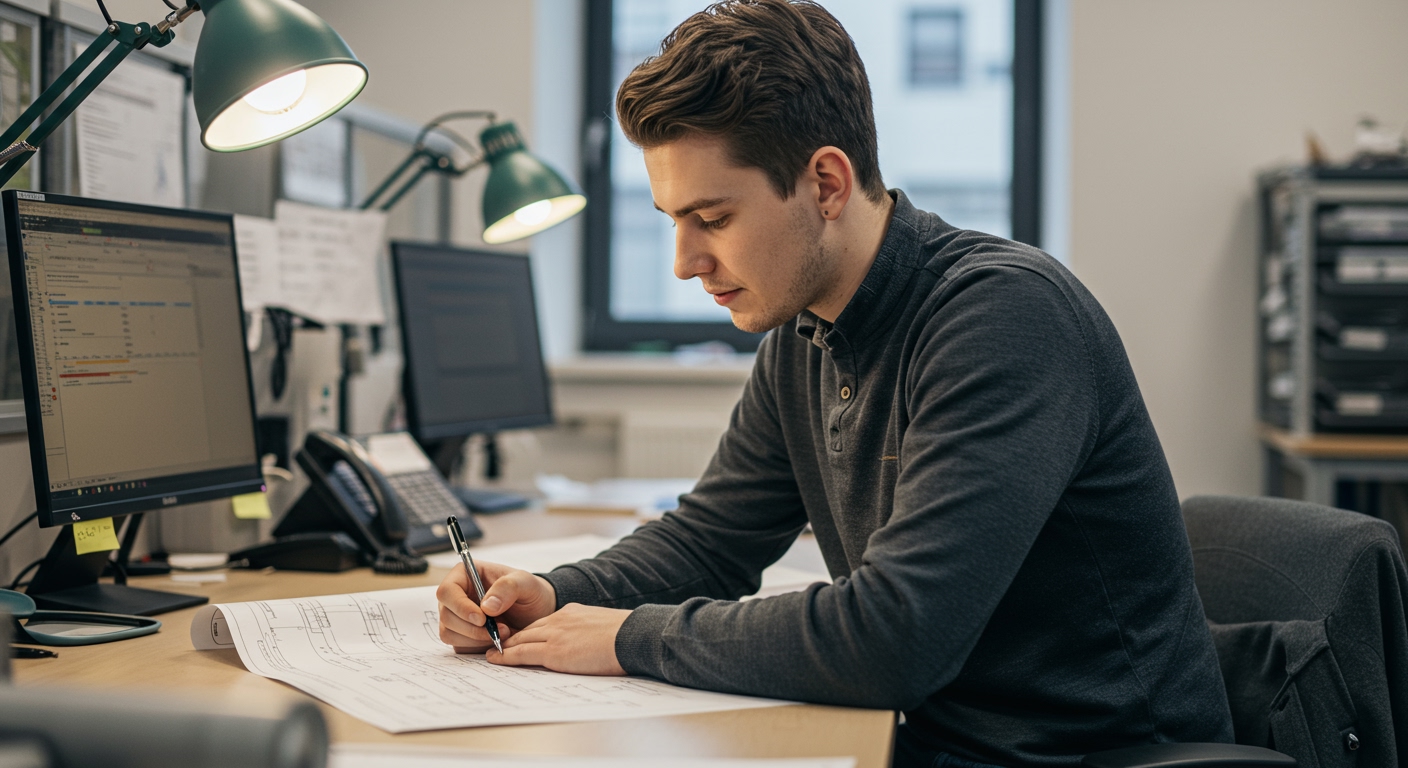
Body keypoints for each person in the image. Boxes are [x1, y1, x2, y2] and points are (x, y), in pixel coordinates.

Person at [437, 1, 1234, 765]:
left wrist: (623, 636)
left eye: (712, 219)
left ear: (825, 183)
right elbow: (711, 539)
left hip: (1068, 754)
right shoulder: (806, 331)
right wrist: (553, 592)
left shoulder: (1004, 317)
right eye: (671, 220)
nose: (684, 262)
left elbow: (896, 638)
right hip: (929, 734)